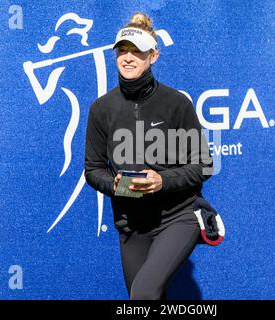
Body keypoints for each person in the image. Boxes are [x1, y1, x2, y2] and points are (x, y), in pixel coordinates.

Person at [84, 12, 213, 300]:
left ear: (153, 56)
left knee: (143, 293)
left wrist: (161, 181)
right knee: (142, 298)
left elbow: (203, 165)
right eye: (123, 51)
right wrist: (117, 184)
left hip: (178, 216)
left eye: (137, 52)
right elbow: (93, 169)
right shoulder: (101, 109)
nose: (128, 58)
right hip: (132, 224)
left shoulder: (176, 103)